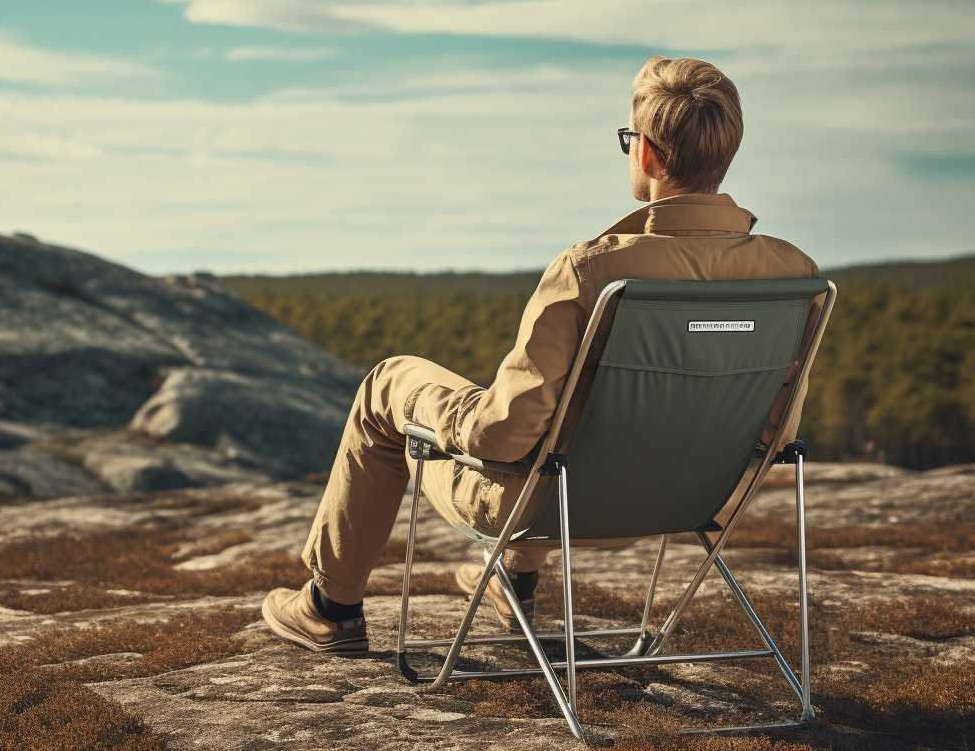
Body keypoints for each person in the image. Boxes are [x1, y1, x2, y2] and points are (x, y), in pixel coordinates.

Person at [262, 57, 819, 655]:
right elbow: (779, 429)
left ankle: (330, 607)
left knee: (389, 385)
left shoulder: (593, 269)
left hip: (557, 504)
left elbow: (505, 436)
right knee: (570, 423)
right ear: (725, 153)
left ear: (648, 154)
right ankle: (512, 578)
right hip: (698, 500)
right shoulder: (793, 273)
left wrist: (453, 413)